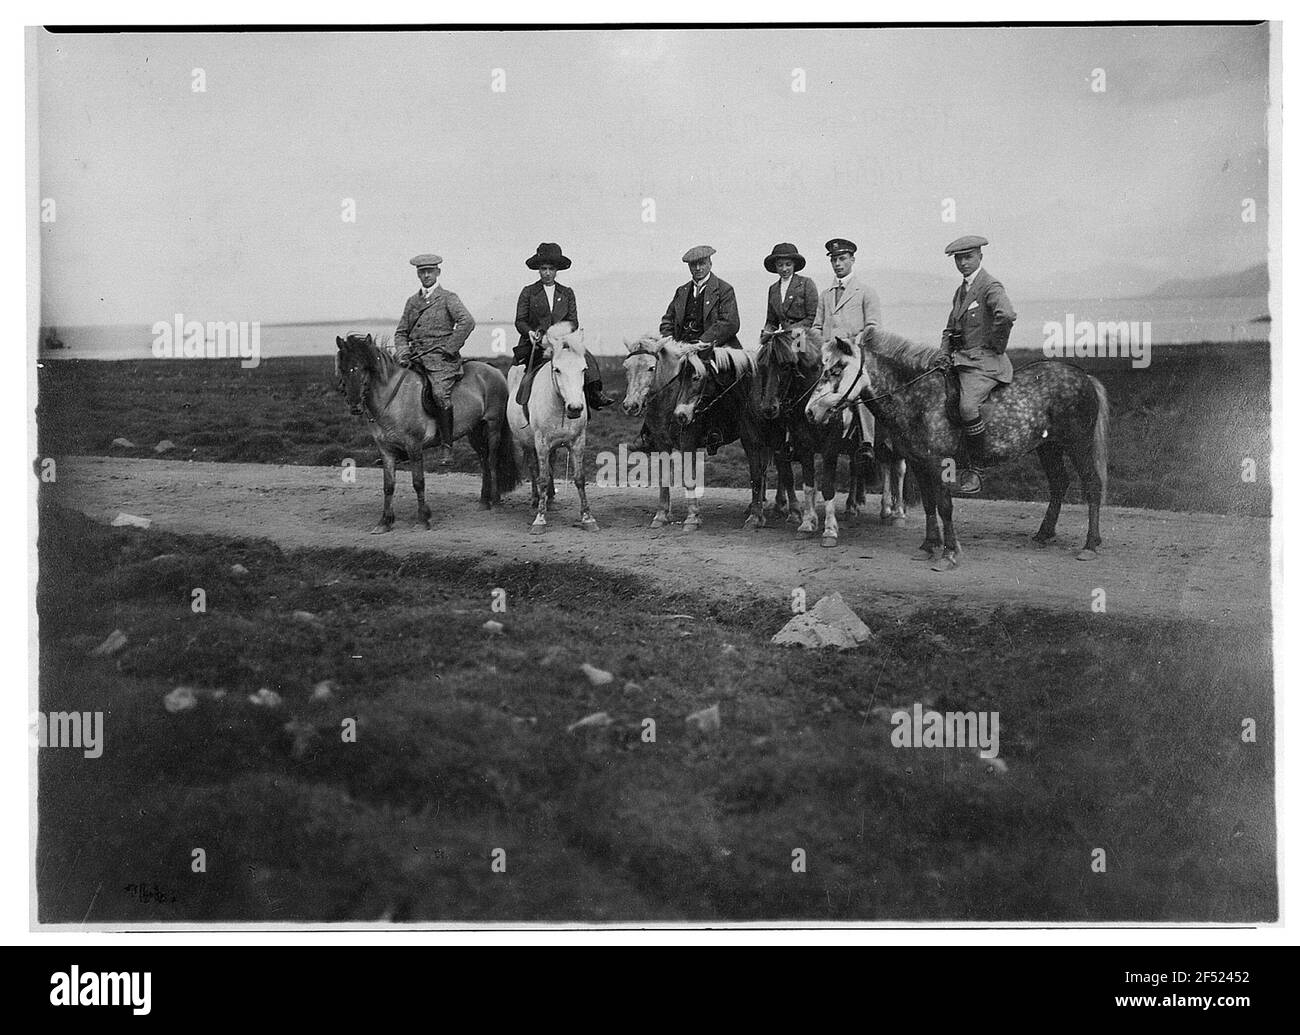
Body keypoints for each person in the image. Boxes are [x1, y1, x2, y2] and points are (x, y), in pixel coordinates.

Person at [934, 235, 1016, 494]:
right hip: (961, 361)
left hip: (985, 363)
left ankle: (977, 470)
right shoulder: (962, 290)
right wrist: (943, 352)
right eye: (958, 258)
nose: (963, 263)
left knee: (968, 406)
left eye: (968, 257)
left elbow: (1007, 315)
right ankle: (950, 463)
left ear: (980, 256)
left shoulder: (990, 286)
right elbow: (950, 328)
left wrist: (995, 345)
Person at [512, 242, 614, 418]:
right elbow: (520, 321)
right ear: (538, 270)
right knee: (520, 375)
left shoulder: (567, 293)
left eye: (551, 269)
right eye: (543, 269)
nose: (547, 273)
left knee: (584, 357)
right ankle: (519, 411)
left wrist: (560, 335)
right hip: (536, 343)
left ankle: (594, 392)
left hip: (562, 342)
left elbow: (573, 321)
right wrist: (530, 332)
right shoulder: (528, 292)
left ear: (557, 270)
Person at [393, 252, 476, 465]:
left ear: (438, 272)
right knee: (396, 390)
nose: (426, 275)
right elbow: (401, 332)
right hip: (415, 359)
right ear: (418, 275)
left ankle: (447, 445)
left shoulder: (448, 298)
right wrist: (403, 352)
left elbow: (467, 322)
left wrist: (450, 348)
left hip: (441, 361)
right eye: (422, 272)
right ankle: (402, 445)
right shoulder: (412, 302)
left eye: (430, 271)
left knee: (439, 393)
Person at [810, 238, 879, 463]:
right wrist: (823, 345)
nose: (838, 264)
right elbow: (817, 326)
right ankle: (796, 438)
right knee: (809, 387)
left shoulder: (865, 292)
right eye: (834, 260)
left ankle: (867, 442)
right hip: (830, 356)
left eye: (842, 259)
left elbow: (873, 326)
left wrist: (856, 341)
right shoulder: (825, 294)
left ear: (852, 260)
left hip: (855, 354)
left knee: (861, 391)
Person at [659, 245, 741, 353]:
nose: (698, 268)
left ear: (710, 264)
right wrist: (670, 341)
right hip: (682, 349)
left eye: (702, 263)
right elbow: (668, 320)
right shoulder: (681, 291)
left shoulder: (724, 289)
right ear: (689, 267)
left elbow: (730, 323)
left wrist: (703, 342)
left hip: (714, 348)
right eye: (693, 265)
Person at [760, 242, 819, 337]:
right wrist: (767, 332)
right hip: (782, 337)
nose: (784, 269)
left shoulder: (806, 283)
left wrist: (788, 331)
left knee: (798, 351)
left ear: (794, 265)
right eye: (780, 265)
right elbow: (771, 321)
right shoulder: (773, 289)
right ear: (775, 266)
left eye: (788, 264)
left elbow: (812, 317)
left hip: (802, 336)